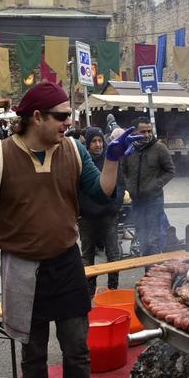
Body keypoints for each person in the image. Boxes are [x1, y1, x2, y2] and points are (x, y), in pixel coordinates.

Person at [0, 82, 142, 378]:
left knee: (77, 351)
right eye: (61, 116)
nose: (68, 123)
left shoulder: (73, 150)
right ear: (37, 117)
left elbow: (100, 190)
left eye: (70, 116)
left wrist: (113, 160)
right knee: (33, 356)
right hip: (22, 269)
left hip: (66, 263)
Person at [78, 126, 124, 296]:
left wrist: (114, 206)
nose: (98, 145)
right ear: (88, 144)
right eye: (94, 141)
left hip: (108, 215)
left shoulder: (110, 159)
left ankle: (113, 288)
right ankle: (89, 290)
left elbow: (120, 184)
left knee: (113, 253)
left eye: (100, 141)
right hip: (87, 216)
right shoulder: (81, 162)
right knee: (87, 255)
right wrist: (80, 209)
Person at [122, 117, 176, 257]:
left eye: (149, 131)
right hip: (136, 201)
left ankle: (153, 271)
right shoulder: (129, 149)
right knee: (142, 238)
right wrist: (129, 186)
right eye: (143, 131)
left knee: (153, 240)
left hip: (154, 200)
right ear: (134, 132)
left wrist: (155, 185)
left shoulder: (159, 148)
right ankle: (147, 274)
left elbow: (170, 170)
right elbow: (123, 170)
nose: (147, 135)